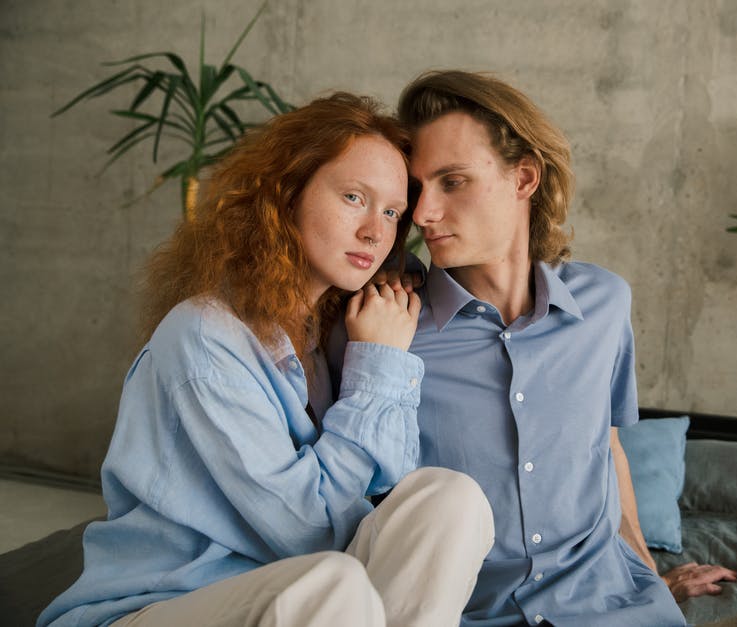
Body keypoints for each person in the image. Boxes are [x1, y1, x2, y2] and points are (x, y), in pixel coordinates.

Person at [38, 93, 494, 627]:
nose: (375, 231)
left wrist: (385, 316)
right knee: (329, 583)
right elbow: (306, 532)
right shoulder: (205, 335)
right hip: (159, 606)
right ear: (286, 193)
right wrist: (379, 367)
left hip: (315, 598)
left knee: (451, 499)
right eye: (354, 197)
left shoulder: (328, 331)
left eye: (392, 212)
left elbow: (387, 481)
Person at [326, 71, 734, 626]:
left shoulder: (604, 304)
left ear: (523, 178)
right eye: (418, 191)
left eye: (453, 181)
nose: (422, 215)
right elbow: (350, 502)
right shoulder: (382, 330)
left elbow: (605, 449)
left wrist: (647, 572)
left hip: (614, 609)